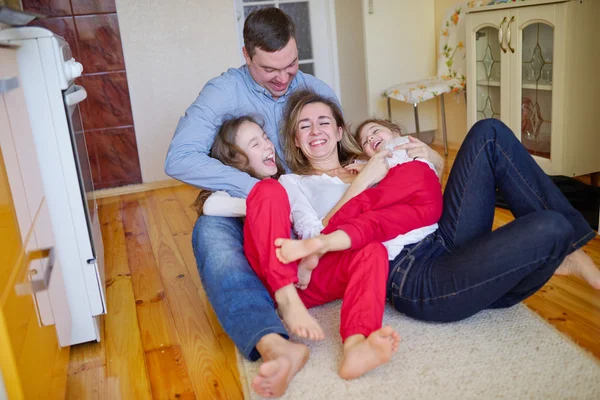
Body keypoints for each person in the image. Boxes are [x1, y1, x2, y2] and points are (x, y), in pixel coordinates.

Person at [165, 8, 365, 398]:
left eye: (290, 65)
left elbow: (339, 150)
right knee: (210, 234)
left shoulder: (316, 89)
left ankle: (289, 285)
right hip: (248, 200)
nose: (283, 78)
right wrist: (255, 189)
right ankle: (274, 344)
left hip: (304, 205)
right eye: (270, 69)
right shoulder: (223, 91)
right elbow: (179, 158)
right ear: (246, 55)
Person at [199, 112, 445, 380]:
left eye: (266, 138)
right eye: (255, 144)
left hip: (313, 272)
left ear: (339, 133)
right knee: (268, 191)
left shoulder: (363, 166)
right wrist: (265, 206)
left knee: (372, 250)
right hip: (280, 269)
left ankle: (355, 345)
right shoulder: (280, 185)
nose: (267, 145)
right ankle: (286, 301)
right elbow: (213, 205)